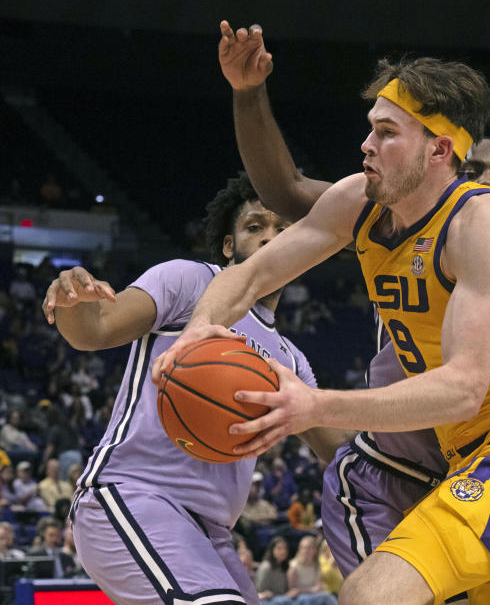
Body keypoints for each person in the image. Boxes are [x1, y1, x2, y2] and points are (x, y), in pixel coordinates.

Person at [153, 21, 490, 605]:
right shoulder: (360, 201)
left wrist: (313, 405)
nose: (366, 145)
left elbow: (464, 388)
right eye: (370, 130)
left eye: (386, 133)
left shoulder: (482, 225)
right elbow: (255, 273)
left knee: (372, 594)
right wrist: (198, 330)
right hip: (462, 458)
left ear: (439, 149)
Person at [43, 174, 326, 605]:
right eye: (255, 227)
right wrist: (74, 303)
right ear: (229, 245)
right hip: (134, 495)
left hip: (211, 535)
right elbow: (96, 330)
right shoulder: (191, 282)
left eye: (284, 231)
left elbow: (339, 450)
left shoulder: (291, 359)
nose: (271, 239)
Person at [286, 536, 337, 605]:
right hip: (298, 598)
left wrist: (313, 589)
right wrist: (310, 590)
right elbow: (293, 591)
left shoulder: (317, 565)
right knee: (326, 597)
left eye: (309, 548)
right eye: (303, 548)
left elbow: (319, 586)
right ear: (300, 549)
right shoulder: (293, 566)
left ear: (315, 550)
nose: (306, 551)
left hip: (314, 596)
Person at [257, 536, 294, 605]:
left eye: (285, 548)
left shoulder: (285, 566)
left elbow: (284, 590)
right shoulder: (266, 567)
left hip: (282, 599)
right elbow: (261, 590)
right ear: (272, 550)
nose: (283, 551)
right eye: (279, 548)